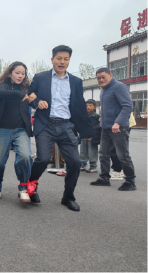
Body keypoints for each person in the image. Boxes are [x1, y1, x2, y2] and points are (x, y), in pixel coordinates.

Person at [26, 45, 94, 212]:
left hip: (65, 125)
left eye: (66, 59)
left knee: (75, 162)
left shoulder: (76, 81)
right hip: (45, 124)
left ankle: (68, 197)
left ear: (69, 61)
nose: (62, 62)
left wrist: (87, 130)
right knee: (42, 159)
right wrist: (36, 102)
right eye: (59, 58)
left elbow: (79, 106)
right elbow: (29, 94)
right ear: (52, 60)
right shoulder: (40, 77)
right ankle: (30, 188)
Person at [0, 62, 33, 202]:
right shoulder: (2, 87)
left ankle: (23, 187)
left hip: (21, 128)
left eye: (23, 73)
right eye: (17, 72)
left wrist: (37, 99)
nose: (21, 76)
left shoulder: (27, 88)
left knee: (25, 156)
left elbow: (35, 98)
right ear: (10, 73)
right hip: (2, 128)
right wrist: (20, 94)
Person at [90, 68, 136, 191]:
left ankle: (130, 181)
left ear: (110, 75)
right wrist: (102, 119)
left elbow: (127, 106)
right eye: (98, 78)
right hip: (106, 128)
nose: (101, 80)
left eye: (103, 77)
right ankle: (104, 178)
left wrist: (117, 122)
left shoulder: (119, 87)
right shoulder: (104, 89)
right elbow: (107, 107)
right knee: (103, 154)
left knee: (122, 155)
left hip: (118, 128)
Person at [80, 99, 101, 173]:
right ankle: (82, 165)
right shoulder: (82, 115)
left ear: (94, 107)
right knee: (83, 151)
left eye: (90, 106)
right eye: (86, 106)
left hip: (92, 138)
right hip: (83, 136)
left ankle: (93, 166)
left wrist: (92, 135)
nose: (88, 107)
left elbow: (97, 128)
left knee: (92, 152)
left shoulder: (97, 117)